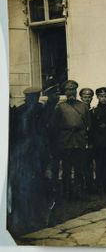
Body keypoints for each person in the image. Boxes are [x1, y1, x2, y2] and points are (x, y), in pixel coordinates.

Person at [9, 86, 49, 232]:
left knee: (38, 185)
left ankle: (37, 217)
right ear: (27, 98)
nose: (35, 99)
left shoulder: (41, 109)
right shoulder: (20, 111)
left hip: (38, 152)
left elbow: (45, 130)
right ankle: (27, 220)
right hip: (26, 155)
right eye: (32, 97)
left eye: (36, 96)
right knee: (27, 187)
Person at [53, 80, 91, 200]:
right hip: (66, 141)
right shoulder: (60, 107)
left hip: (79, 140)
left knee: (80, 169)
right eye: (68, 90)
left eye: (73, 89)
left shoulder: (83, 106)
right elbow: (55, 125)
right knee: (67, 169)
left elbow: (88, 123)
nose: (71, 92)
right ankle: (67, 193)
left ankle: (79, 193)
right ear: (64, 91)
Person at [79, 87, 95, 192]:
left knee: (90, 164)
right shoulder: (78, 110)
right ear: (81, 97)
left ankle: (90, 185)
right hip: (80, 140)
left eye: (89, 97)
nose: (87, 99)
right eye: (85, 97)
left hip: (91, 141)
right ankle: (82, 185)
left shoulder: (93, 110)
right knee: (81, 165)